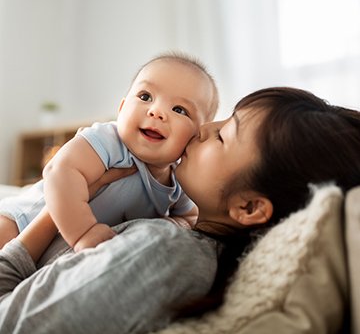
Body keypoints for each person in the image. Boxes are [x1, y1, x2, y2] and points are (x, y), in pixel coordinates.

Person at [0, 87, 360, 333]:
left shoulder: (163, 253)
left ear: (248, 207)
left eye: (223, 136)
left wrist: (49, 216)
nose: (203, 129)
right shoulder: (174, 228)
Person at [0, 52, 219, 251]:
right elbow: (60, 171)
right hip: (23, 219)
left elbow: (190, 216)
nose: (157, 112)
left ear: (197, 136)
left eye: (179, 110)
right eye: (145, 97)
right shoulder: (109, 141)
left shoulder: (178, 180)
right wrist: (84, 231)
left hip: (57, 249)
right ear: (122, 108)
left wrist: (174, 224)